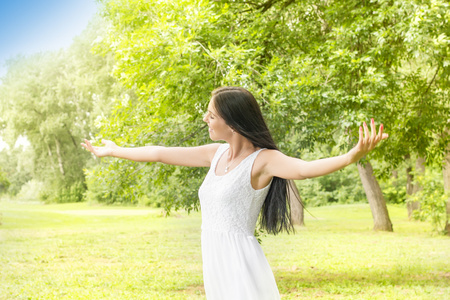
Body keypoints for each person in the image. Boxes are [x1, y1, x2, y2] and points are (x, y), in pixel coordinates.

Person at [81, 86, 388, 299]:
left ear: (232, 120)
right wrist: (116, 151)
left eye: (211, 115)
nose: (205, 120)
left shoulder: (263, 161)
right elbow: (160, 152)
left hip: (239, 260)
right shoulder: (215, 153)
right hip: (214, 256)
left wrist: (351, 155)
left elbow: (305, 168)